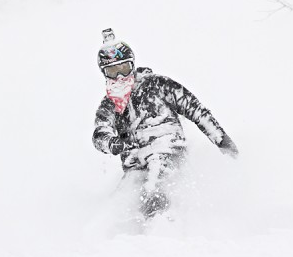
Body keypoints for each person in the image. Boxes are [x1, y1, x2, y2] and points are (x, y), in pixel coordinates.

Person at [92, 28, 239, 220]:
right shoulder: (110, 104)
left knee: (154, 185)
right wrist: (112, 143)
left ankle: (162, 229)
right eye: (113, 72)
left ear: (133, 65)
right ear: (105, 74)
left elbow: (195, 109)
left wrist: (222, 140)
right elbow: (99, 133)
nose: (120, 77)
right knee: (120, 201)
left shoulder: (158, 85)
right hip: (135, 162)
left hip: (168, 149)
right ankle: (113, 236)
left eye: (124, 69)